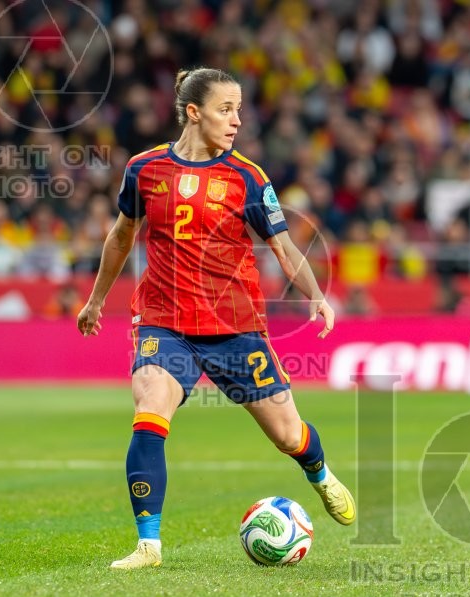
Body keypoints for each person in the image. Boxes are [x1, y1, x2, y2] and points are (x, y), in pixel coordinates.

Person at [76, 67, 356, 569]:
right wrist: (96, 299)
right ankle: (149, 545)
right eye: (226, 110)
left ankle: (319, 473)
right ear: (193, 112)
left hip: (234, 325)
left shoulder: (247, 177)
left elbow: (283, 244)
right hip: (164, 318)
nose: (236, 120)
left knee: (288, 435)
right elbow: (120, 236)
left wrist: (315, 294)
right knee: (151, 405)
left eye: (239, 109)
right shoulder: (144, 169)